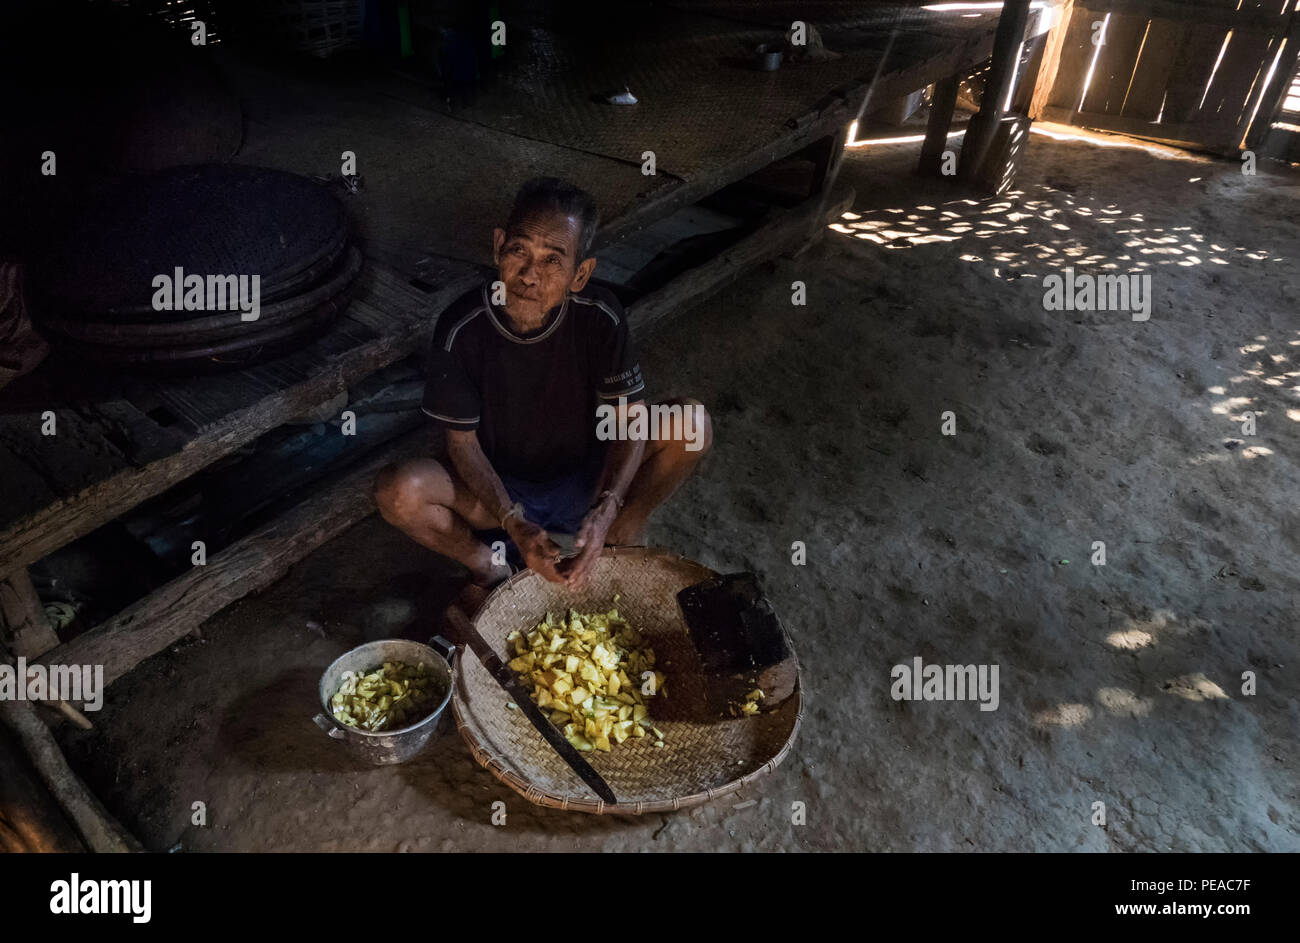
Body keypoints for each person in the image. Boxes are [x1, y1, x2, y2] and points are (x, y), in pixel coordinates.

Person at [375, 177, 712, 599]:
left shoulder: (599, 316)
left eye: (553, 260)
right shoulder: (462, 328)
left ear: (579, 274)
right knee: (400, 491)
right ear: (499, 247)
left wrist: (608, 507)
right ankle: (489, 567)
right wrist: (513, 519)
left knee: (691, 424)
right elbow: (462, 445)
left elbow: (630, 420)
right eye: (519, 250)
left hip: (587, 477)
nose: (530, 275)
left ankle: (614, 538)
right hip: (499, 489)